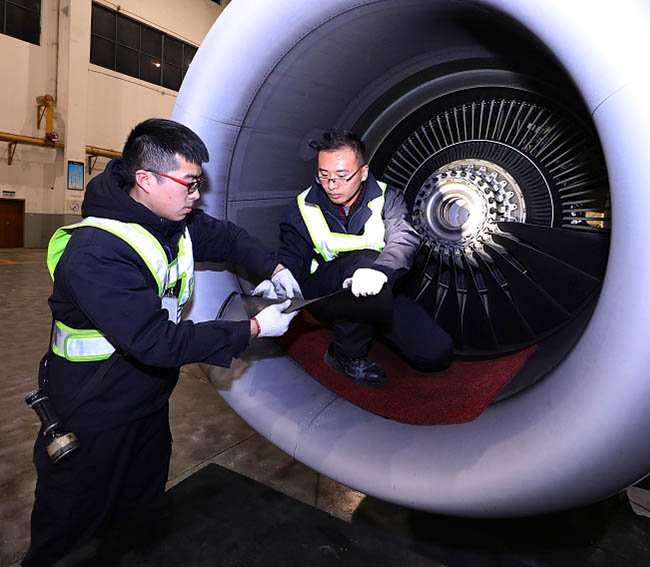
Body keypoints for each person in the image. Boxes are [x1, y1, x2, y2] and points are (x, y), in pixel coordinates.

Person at [23, 118, 300, 566]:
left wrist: (274, 268)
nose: (196, 196)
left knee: (140, 521)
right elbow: (155, 341)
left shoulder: (172, 222)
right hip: (92, 411)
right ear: (146, 179)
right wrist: (251, 329)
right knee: (71, 536)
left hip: (147, 403)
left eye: (199, 184)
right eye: (189, 184)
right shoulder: (96, 252)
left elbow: (227, 238)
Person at [260, 128, 452, 387]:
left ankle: (367, 323)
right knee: (363, 261)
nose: (331, 185)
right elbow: (294, 254)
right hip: (324, 293)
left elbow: (404, 238)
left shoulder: (388, 198)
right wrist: (277, 275)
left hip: (375, 287)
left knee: (436, 353)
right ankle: (344, 354)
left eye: (341, 176)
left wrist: (381, 271)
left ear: (363, 172)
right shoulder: (303, 206)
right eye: (323, 175)